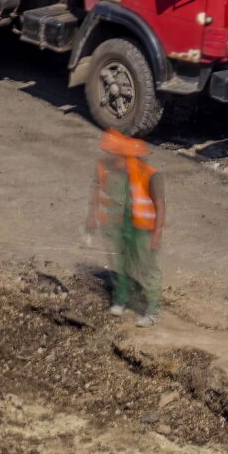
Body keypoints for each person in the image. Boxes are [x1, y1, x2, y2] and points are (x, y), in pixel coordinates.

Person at [88, 129, 164, 324]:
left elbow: (160, 205)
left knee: (147, 268)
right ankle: (121, 299)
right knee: (121, 265)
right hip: (125, 227)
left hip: (144, 230)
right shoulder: (121, 173)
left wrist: (157, 233)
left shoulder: (151, 175)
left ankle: (153, 310)